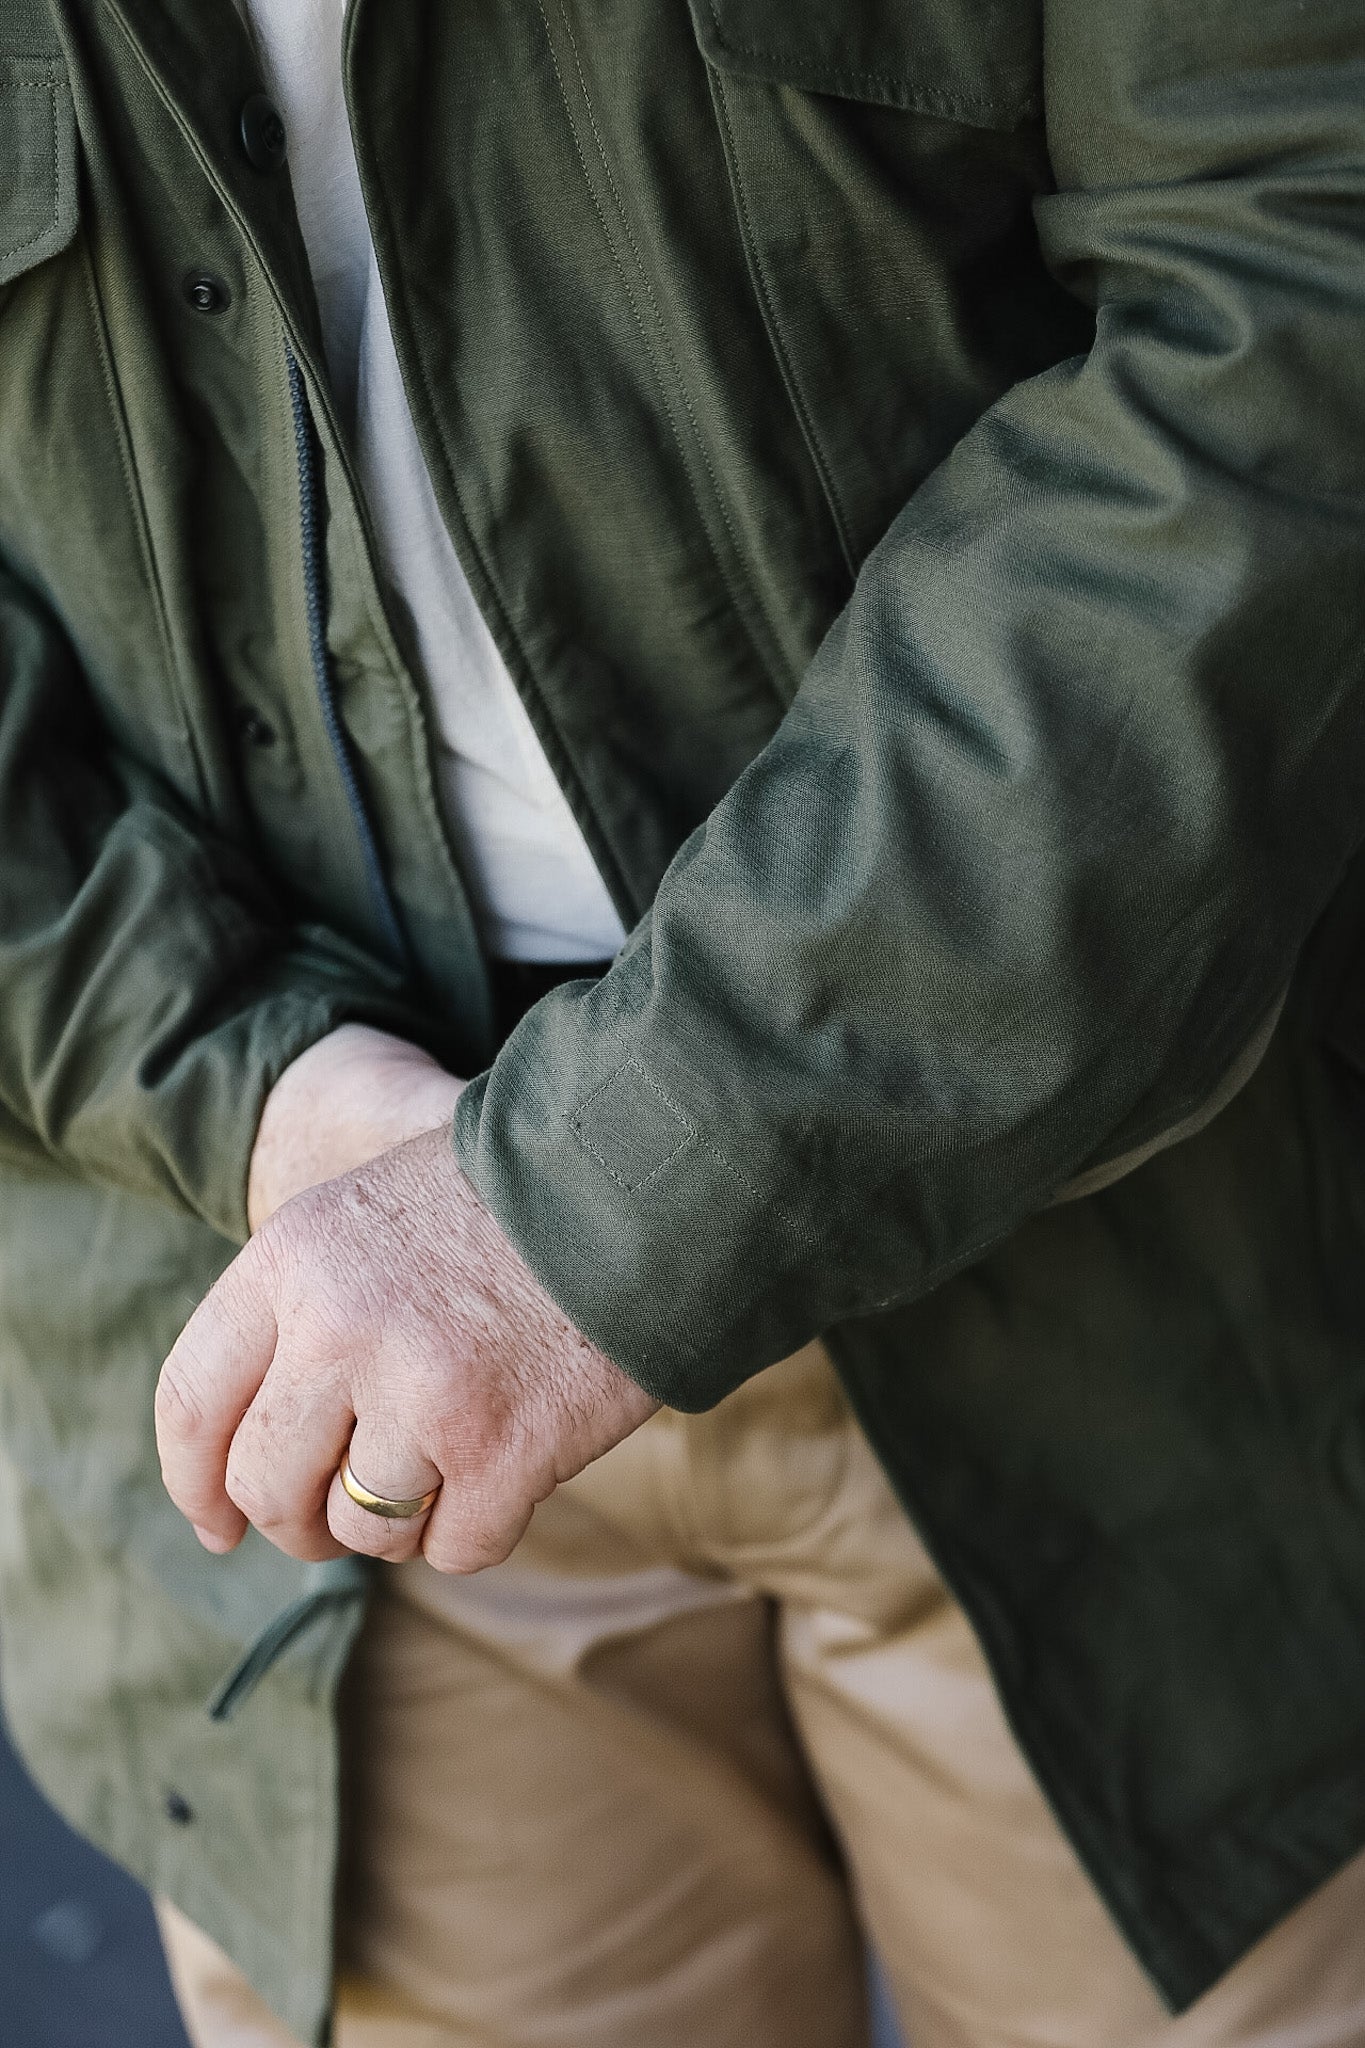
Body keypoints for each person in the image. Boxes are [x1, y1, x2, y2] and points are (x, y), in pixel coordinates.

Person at [2, 0, 1365, 2043]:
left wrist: (598, 1195)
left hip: (1141, 1284)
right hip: (293, 1355)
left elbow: (1292, 269)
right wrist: (240, 1084)